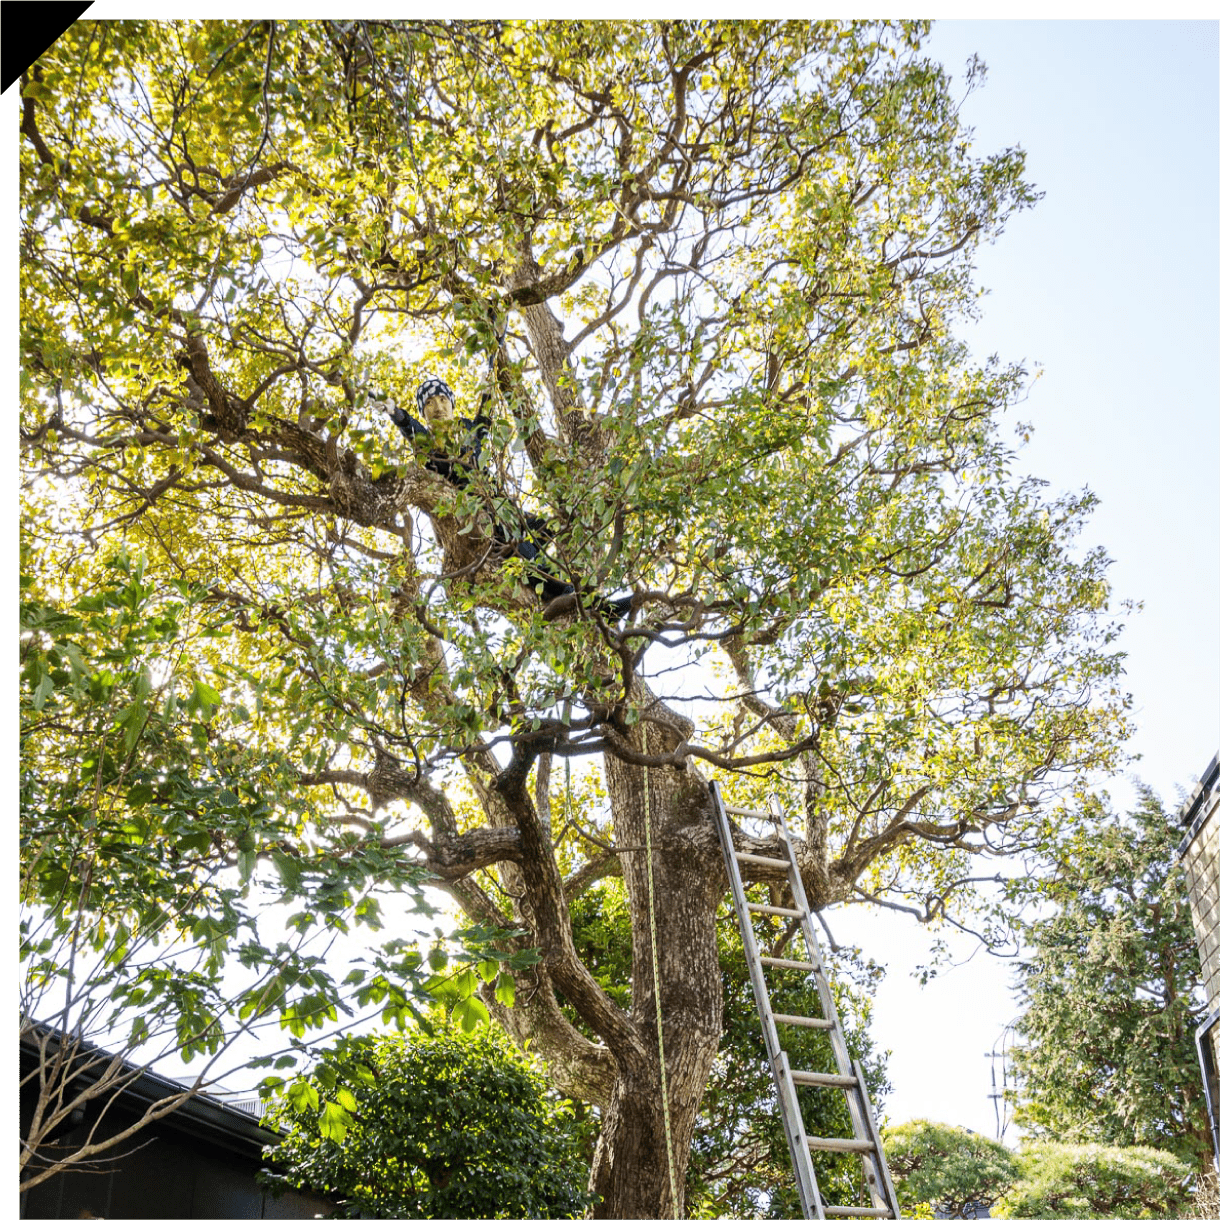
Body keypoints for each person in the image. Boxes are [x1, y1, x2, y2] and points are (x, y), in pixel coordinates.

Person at [371, 378, 632, 617]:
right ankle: (597, 608)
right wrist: (396, 413)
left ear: (451, 403)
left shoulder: (468, 429)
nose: (437, 407)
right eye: (428, 403)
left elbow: (485, 416)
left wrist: (489, 382)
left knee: (550, 526)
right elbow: (410, 427)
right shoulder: (428, 442)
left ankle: (552, 580)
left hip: (504, 508)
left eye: (441, 399)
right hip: (482, 518)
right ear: (423, 413)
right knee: (533, 562)